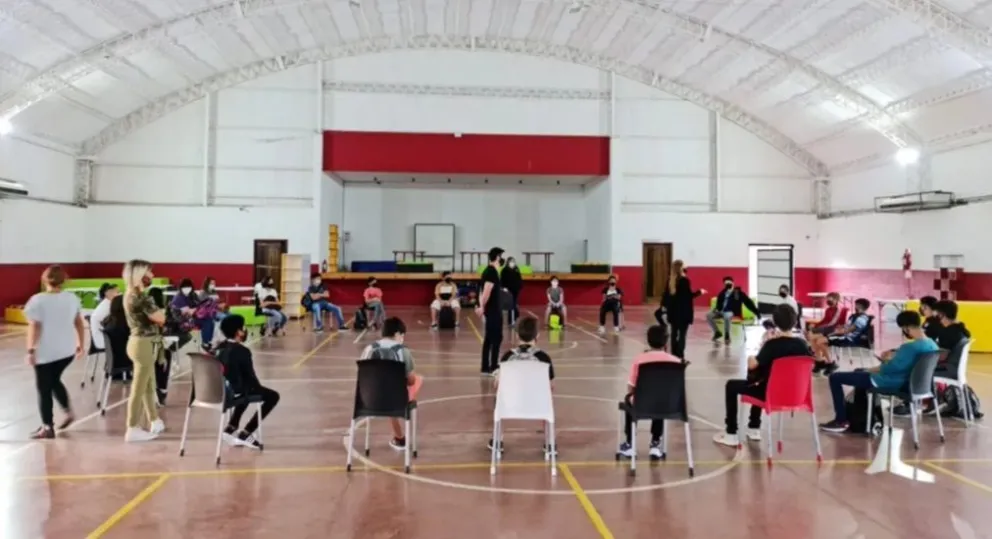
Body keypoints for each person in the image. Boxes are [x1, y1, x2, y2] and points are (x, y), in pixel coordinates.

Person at [819, 311, 938, 433]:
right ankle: (862, 420)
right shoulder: (932, 345)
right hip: (915, 385)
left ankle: (841, 420)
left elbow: (890, 369)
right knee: (858, 372)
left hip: (890, 382)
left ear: (906, 328)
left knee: (835, 377)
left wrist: (878, 365)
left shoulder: (910, 347)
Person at [713, 304, 812, 447]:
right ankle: (753, 428)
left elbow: (753, 365)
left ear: (775, 321)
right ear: (795, 321)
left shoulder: (771, 345)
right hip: (797, 395)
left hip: (771, 394)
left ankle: (731, 433)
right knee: (763, 379)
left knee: (733, 385)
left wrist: (757, 351)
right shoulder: (802, 345)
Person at [24, 265, 86, 439]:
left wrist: (30, 350)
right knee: (53, 380)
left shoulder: (37, 300)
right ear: (64, 280)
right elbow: (79, 322)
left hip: (45, 351)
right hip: (66, 351)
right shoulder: (72, 298)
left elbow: (34, 327)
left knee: (44, 388)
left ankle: (47, 426)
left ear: (44, 280)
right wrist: (80, 344)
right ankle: (67, 411)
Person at [488, 315, 555, 454]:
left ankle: (497, 440)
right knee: (548, 398)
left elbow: (497, 384)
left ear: (517, 335)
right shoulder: (544, 358)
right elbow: (550, 386)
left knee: (498, 399)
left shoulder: (507, 357)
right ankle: (549, 443)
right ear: (537, 335)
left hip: (510, 405)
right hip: (539, 405)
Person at [894, 300, 971, 417]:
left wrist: (922, 358)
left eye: (937, 314)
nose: (935, 317)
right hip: (952, 366)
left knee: (913, 368)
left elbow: (942, 356)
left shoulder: (950, 332)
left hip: (947, 368)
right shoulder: (959, 329)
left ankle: (911, 403)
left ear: (942, 314)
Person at [215, 315, 280, 450]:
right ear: (238, 332)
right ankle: (246, 432)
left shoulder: (219, 348)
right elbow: (250, 377)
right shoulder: (243, 351)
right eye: (243, 328)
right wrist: (257, 388)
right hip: (233, 393)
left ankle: (231, 426)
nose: (245, 330)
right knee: (272, 396)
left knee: (245, 389)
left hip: (220, 391)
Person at [616, 324, 682, 459]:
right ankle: (655, 443)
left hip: (642, 403)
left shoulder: (639, 360)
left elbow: (631, 387)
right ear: (666, 341)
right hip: (668, 405)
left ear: (648, 340)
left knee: (629, 399)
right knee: (661, 399)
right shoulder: (676, 362)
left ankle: (630, 443)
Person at [358, 317, 423, 451]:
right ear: (397, 334)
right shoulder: (403, 351)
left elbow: (361, 375)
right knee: (416, 380)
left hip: (368, 400)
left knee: (386, 388)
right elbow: (410, 380)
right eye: (402, 336)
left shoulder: (368, 349)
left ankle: (399, 437)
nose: (403, 339)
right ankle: (401, 433)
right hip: (396, 402)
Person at [121, 259, 166, 442]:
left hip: (137, 342)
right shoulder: (141, 298)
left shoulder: (129, 294)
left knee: (148, 385)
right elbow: (160, 318)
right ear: (140, 275)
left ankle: (154, 419)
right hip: (143, 344)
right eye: (149, 272)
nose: (152, 275)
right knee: (139, 388)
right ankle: (132, 427)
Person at [810, 298, 872, 375]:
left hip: (849, 338)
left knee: (820, 341)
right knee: (813, 339)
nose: (855, 306)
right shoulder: (853, 316)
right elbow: (846, 326)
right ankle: (819, 362)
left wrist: (834, 332)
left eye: (856, 305)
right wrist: (840, 327)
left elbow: (848, 330)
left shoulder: (862, 318)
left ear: (860, 306)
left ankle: (831, 363)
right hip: (843, 335)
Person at [661, 260, 706, 359]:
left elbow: (665, 296)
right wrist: (700, 292)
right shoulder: (684, 281)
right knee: (682, 334)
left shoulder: (670, 280)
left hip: (673, 312)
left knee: (674, 333)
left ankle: (673, 353)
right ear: (681, 268)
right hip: (683, 312)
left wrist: (664, 307)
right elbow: (688, 296)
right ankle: (680, 354)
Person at [476, 247, 504, 375]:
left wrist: (481, 305)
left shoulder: (487, 271)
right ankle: (493, 366)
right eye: (501, 256)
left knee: (489, 338)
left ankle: (485, 366)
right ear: (497, 257)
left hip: (492, 310)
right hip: (493, 311)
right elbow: (486, 291)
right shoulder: (491, 272)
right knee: (496, 338)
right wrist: (482, 306)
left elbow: (480, 291)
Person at [705, 276, 757, 345]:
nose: (728, 284)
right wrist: (716, 309)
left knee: (727, 315)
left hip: (731, 311)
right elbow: (718, 304)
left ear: (733, 283)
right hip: (721, 311)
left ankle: (727, 335)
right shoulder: (722, 293)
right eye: (726, 283)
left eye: (729, 283)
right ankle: (717, 332)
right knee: (708, 315)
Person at [89, 283, 119, 350]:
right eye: (117, 292)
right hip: (103, 340)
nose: (119, 294)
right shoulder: (108, 306)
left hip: (101, 339)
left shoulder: (106, 303)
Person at [502, 257, 523, 327]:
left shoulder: (516, 269)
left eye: (513, 261)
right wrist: (504, 287)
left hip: (516, 289)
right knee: (511, 305)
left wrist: (520, 286)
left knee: (514, 304)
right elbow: (502, 280)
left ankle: (514, 318)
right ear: (508, 262)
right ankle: (511, 321)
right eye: (511, 261)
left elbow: (519, 278)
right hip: (508, 290)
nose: (512, 263)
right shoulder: (504, 270)